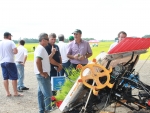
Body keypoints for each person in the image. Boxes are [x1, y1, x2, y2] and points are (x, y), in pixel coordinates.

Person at [34, 33, 56, 113]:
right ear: (43, 40)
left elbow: (46, 59)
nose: (48, 41)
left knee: (40, 94)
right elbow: (37, 61)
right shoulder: (41, 49)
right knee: (48, 94)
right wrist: (42, 72)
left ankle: (42, 110)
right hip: (42, 75)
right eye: (47, 39)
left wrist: (52, 53)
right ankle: (48, 110)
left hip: (40, 75)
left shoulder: (41, 48)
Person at [0, 32, 23, 97]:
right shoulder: (11, 42)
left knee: (5, 78)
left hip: (2, 61)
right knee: (14, 77)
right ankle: (15, 92)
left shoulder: (0, 42)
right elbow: (15, 51)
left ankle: (7, 93)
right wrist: (11, 52)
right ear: (9, 36)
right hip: (10, 61)